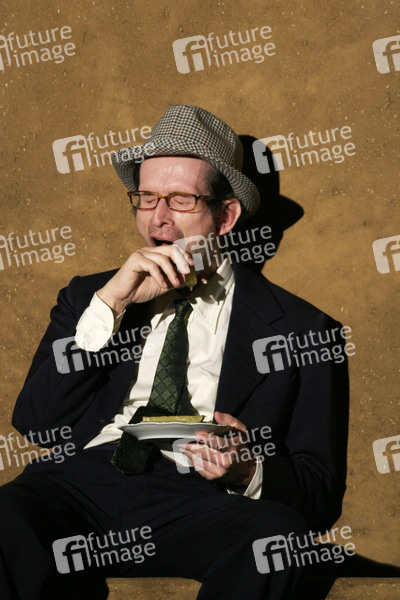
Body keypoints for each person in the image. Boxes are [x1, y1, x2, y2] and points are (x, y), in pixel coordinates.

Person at [0, 104, 349, 600]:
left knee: (277, 537)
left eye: (181, 200)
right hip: (83, 485)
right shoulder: (90, 298)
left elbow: (319, 492)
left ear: (225, 216)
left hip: (200, 500)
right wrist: (111, 305)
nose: (158, 218)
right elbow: (37, 422)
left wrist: (247, 469)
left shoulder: (302, 329)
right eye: (146, 198)